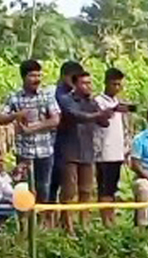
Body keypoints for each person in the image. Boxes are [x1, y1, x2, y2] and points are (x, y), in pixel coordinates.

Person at [0, 59, 59, 228]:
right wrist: (16, 115)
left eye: (39, 75)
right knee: (23, 189)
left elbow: (55, 119)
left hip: (45, 150)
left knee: (43, 187)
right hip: (24, 151)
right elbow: (0, 119)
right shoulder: (14, 97)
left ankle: (41, 225)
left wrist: (35, 128)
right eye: (32, 75)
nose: (37, 78)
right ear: (24, 77)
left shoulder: (46, 96)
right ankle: (24, 225)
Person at [59, 70, 113, 235]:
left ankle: (85, 224)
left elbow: (103, 123)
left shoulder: (92, 102)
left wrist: (108, 113)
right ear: (75, 85)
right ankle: (68, 227)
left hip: (87, 152)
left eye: (90, 83)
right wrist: (98, 114)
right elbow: (76, 115)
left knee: (86, 190)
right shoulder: (67, 100)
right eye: (84, 83)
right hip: (70, 151)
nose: (88, 86)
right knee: (69, 191)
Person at [94, 67, 130, 226]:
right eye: (114, 84)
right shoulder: (99, 101)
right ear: (106, 83)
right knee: (104, 187)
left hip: (117, 151)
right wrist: (114, 110)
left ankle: (111, 217)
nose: (117, 88)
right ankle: (105, 220)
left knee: (112, 187)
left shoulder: (117, 102)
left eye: (119, 84)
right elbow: (102, 120)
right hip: (104, 151)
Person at [51, 61, 84, 206]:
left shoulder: (75, 94)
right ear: (65, 76)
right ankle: (49, 219)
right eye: (74, 78)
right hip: (56, 145)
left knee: (63, 184)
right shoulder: (56, 94)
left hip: (69, 145)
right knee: (53, 184)